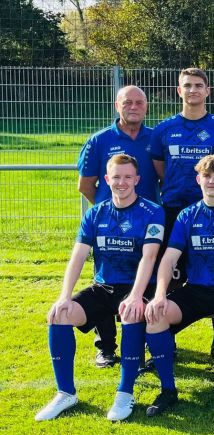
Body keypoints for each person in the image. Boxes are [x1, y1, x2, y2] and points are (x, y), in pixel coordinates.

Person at [36, 154, 164, 422]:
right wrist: (64, 297)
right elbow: (78, 256)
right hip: (104, 287)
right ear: (106, 179)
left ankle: (125, 393)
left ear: (137, 180)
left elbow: (149, 257)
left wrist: (136, 296)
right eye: (116, 177)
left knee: (131, 313)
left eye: (127, 177)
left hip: (138, 288)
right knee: (59, 315)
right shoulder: (95, 213)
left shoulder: (153, 211)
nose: (121, 182)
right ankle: (65, 393)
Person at [143, 155, 214, 416]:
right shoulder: (187, 215)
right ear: (198, 179)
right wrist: (159, 294)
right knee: (156, 316)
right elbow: (169, 258)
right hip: (195, 288)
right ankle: (168, 390)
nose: (212, 181)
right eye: (207, 176)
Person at [149, 68, 214, 366]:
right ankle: (168, 338)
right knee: (172, 274)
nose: (193, 90)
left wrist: (209, 192)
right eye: (187, 85)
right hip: (175, 211)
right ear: (179, 91)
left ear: (208, 90)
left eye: (198, 85)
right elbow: (160, 167)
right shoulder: (164, 129)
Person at [77, 85, 159, 367]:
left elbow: (164, 177)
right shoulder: (99, 140)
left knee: (147, 281)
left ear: (146, 107)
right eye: (127, 102)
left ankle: (150, 341)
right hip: (109, 227)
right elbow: (86, 185)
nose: (133, 107)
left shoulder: (155, 138)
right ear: (117, 105)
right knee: (106, 282)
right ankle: (106, 347)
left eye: (139, 102)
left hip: (147, 225)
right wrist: (110, 213)